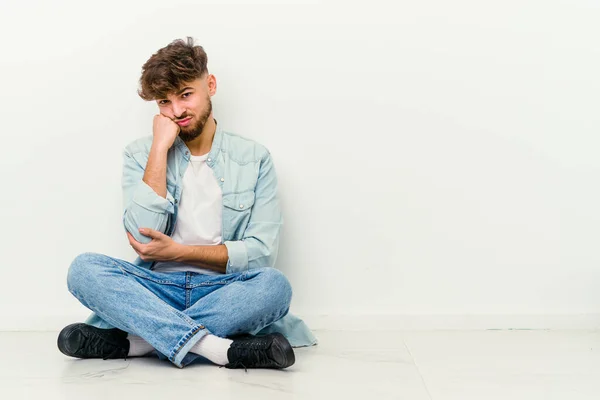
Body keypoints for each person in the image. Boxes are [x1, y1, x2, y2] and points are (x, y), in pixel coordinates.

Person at [57, 37, 317, 370]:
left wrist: (180, 252)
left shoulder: (254, 158)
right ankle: (220, 349)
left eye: (185, 95)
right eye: (164, 101)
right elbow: (143, 238)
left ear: (210, 85)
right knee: (84, 270)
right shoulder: (140, 154)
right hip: (156, 289)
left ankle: (139, 343)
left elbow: (262, 253)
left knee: (274, 286)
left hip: (222, 291)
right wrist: (158, 150)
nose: (176, 111)